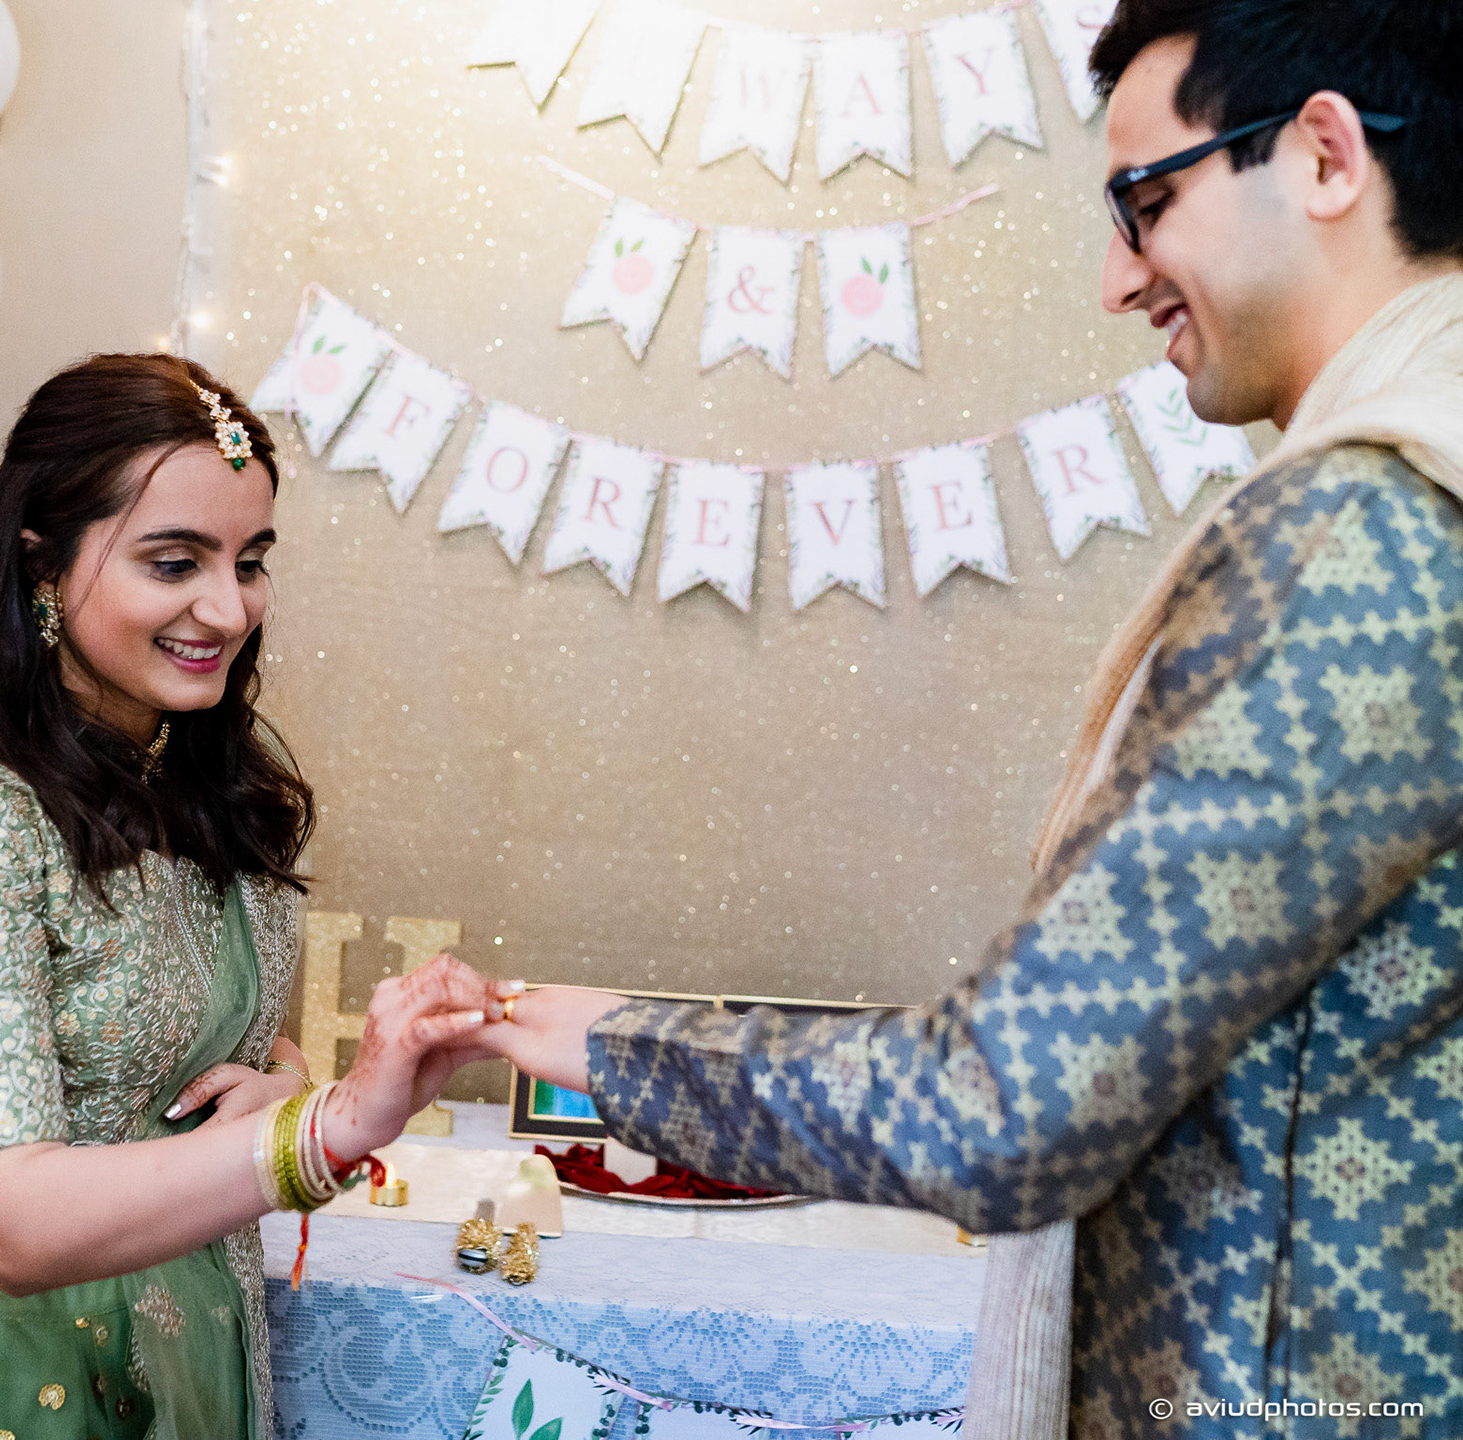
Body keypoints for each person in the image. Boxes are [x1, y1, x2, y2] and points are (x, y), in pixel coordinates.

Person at [456, 2, 1463, 1435]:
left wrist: (620, 1048)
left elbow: (1004, 1106)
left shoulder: (1360, 528)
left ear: (1322, 155)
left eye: (1146, 203)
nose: (1119, 280)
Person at [0, 353, 489, 1440]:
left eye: (250, 562)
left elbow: (198, 1038)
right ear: (42, 563)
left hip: (192, 1333)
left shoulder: (205, 774)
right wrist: (326, 1130)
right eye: (174, 562)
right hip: (0, 1374)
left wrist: (283, 1080)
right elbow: (13, 1223)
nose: (228, 608)